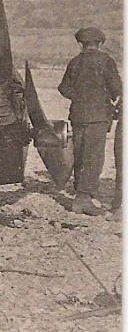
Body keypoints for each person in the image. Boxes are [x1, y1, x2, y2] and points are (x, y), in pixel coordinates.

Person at [58, 27, 122, 216]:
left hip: (78, 115)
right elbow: (116, 88)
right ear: (100, 43)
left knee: (80, 153)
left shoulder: (74, 62)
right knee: (93, 155)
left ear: (80, 44)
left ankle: (81, 192)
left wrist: (78, 97)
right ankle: (84, 198)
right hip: (98, 117)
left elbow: (63, 88)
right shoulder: (106, 61)